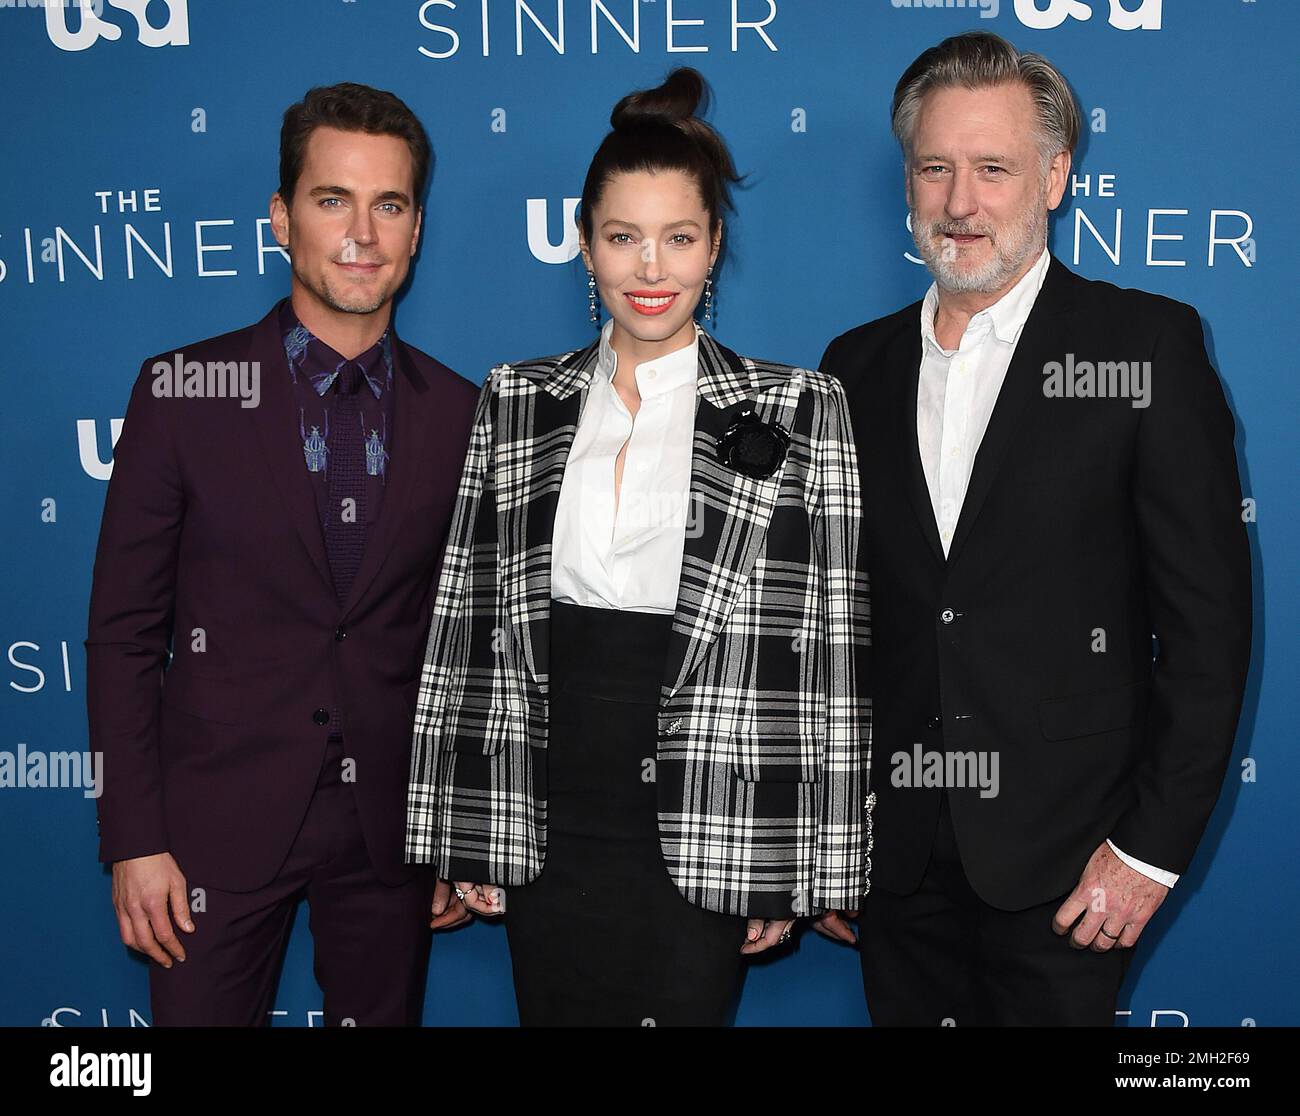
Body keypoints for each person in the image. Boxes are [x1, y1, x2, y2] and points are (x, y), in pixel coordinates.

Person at [406, 67, 872, 1027]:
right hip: (546, 803)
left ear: (714, 247)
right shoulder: (515, 400)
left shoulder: (800, 409)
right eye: (622, 238)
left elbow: (830, 653)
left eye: (678, 238)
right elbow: (463, 620)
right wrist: (463, 829)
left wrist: (809, 867)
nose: (650, 269)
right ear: (584, 245)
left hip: (715, 813)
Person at [818, 31, 1251, 1026]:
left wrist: (1147, 851)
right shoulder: (853, 368)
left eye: (993, 168)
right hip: (894, 868)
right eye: (935, 167)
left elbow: (1207, 632)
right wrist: (835, 842)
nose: (959, 202)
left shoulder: (1144, 346)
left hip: (1069, 864)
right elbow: (838, 625)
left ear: (1054, 177)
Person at [86, 82, 479, 1025]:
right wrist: (133, 841)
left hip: (389, 838)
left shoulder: (461, 414)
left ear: (417, 229)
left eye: (388, 204)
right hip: (209, 834)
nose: (362, 232)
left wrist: (456, 836)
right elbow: (123, 636)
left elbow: (468, 648)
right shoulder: (183, 391)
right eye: (331, 199)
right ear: (280, 219)